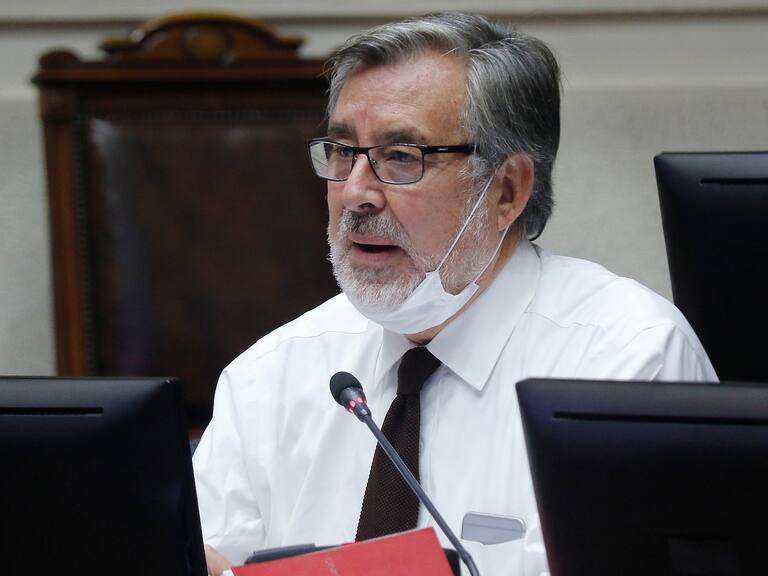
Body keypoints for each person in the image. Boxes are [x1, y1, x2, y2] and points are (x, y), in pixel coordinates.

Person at [193, 12, 716, 576]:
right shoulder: (271, 374)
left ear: (507, 191)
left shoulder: (624, 365)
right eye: (343, 152)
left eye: (402, 157)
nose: (355, 193)